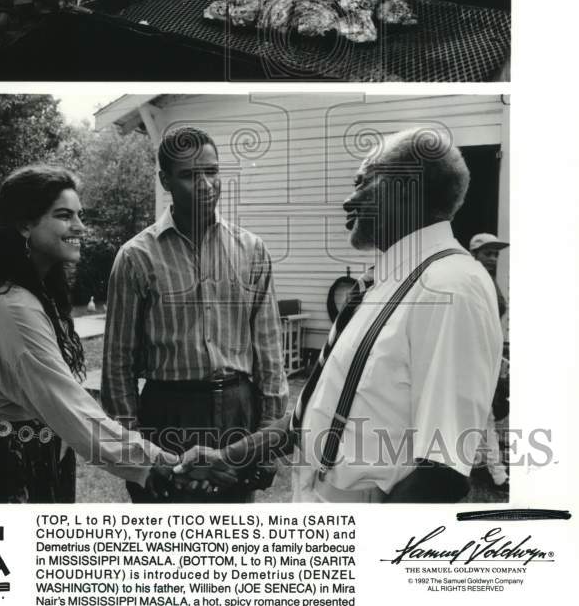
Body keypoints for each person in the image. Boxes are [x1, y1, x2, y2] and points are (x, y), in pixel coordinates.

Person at [178, 127, 503, 504]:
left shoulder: (449, 287)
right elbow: (311, 414)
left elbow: (442, 473)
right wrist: (227, 457)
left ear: (403, 189)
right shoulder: (382, 283)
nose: (348, 201)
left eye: (361, 182)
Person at [0, 164, 179, 503]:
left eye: (80, 215)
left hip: (30, 454)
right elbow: (67, 405)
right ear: (25, 223)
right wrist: (153, 462)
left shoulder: (27, 293)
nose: (80, 227)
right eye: (64, 216)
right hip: (11, 466)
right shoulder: (14, 306)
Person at [100, 126, 288, 503]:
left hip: (238, 410)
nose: (204, 185)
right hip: (169, 412)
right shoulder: (136, 257)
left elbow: (269, 354)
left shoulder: (251, 250)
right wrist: (135, 451)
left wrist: (267, 439)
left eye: (211, 172)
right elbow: (117, 365)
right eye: (188, 175)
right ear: (165, 180)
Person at [469, 232, 510, 492]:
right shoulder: (473, 280)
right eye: (488, 253)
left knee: (484, 414)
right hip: (474, 357)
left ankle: (479, 464)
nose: (493, 258)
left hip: (488, 355)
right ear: (474, 254)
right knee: (486, 415)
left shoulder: (488, 281)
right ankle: (498, 475)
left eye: (496, 254)